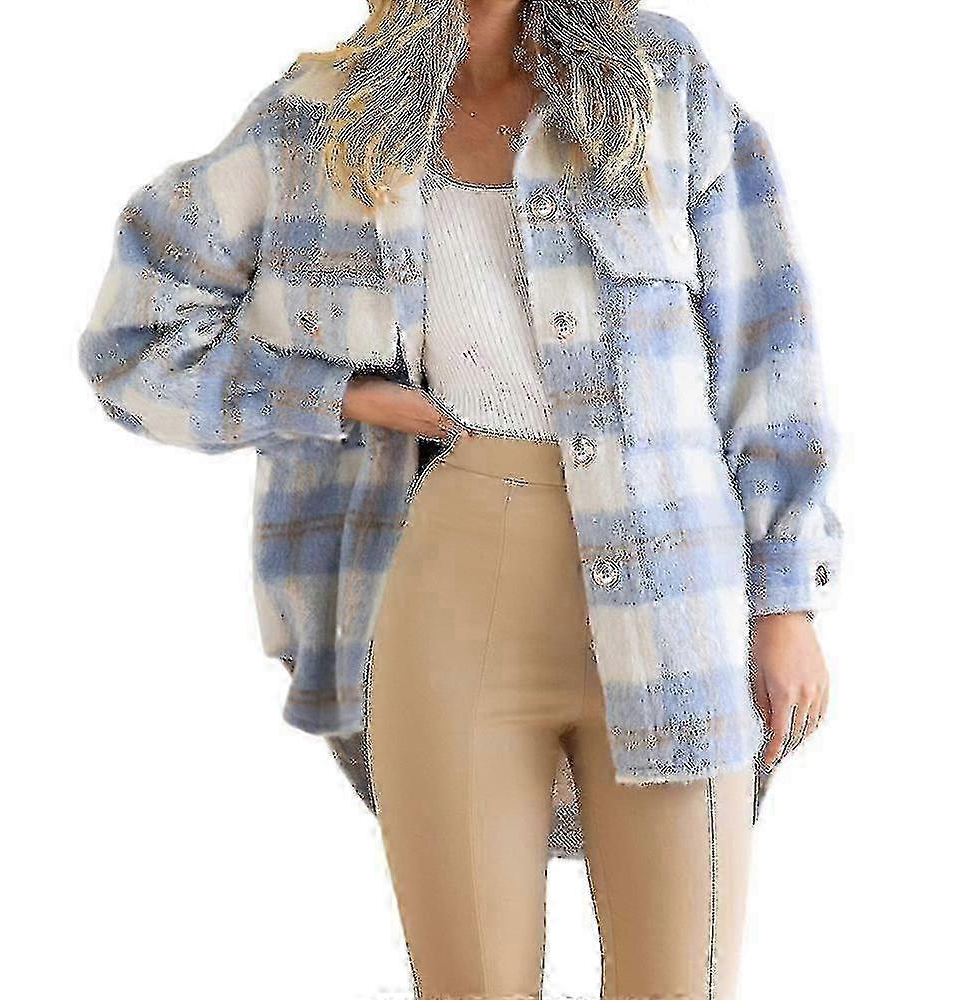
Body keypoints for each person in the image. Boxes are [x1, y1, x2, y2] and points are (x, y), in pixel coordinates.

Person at [78, 2, 843, 997]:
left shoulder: (661, 82)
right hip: (448, 583)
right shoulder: (321, 117)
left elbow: (768, 349)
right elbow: (134, 336)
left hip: (679, 599)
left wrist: (786, 601)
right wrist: (335, 396)